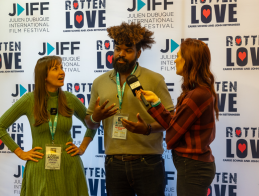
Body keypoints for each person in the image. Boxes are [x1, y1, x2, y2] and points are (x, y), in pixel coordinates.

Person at [85, 22, 174, 196]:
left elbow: (171, 121)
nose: (121, 54)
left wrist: (147, 129)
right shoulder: (99, 82)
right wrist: (95, 118)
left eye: (128, 50)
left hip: (148, 162)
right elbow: (90, 123)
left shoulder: (155, 79)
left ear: (138, 53)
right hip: (114, 164)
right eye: (117, 49)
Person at [0, 56, 96, 196]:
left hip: (69, 167)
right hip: (39, 167)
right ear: (44, 76)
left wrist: (82, 147)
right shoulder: (29, 100)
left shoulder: (70, 99)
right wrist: (20, 152)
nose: (62, 72)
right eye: (55, 69)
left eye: (61, 67)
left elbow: (93, 124)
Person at [135, 38, 218, 196]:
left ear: (189, 61)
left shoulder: (197, 95)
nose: (175, 59)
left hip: (193, 167)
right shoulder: (199, 92)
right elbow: (175, 126)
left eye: (179, 56)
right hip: (194, 166)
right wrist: (156, 102)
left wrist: (148, 128)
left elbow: (172, 134)